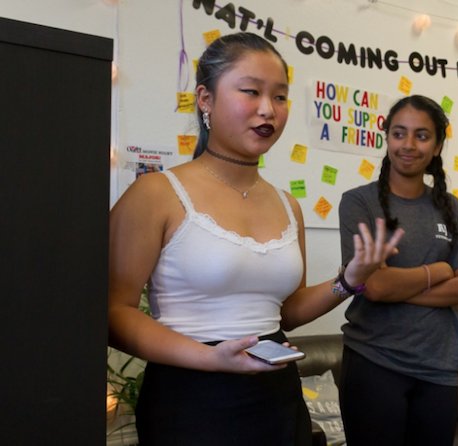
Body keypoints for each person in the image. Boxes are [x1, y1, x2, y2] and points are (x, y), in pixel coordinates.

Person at [107, 32, 402, 446]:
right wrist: (211, 357)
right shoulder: (156, 193)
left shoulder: (287, 204)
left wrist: (349, 280)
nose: (268, 109)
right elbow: (113, 313)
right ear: (205, 99)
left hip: (275, 395)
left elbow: (286, 313)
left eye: (280, 97)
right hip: (189, 397)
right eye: (251, 91)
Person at [337, 95, 458, 445]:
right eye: (399, 133)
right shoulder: (358, 202)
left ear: (437, 146)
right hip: (374, 362)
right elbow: (374, 286)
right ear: (387, 138)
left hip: (439, 369)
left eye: (422, 136)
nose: (409, 145)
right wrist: (442, 269)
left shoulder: (451, 207)